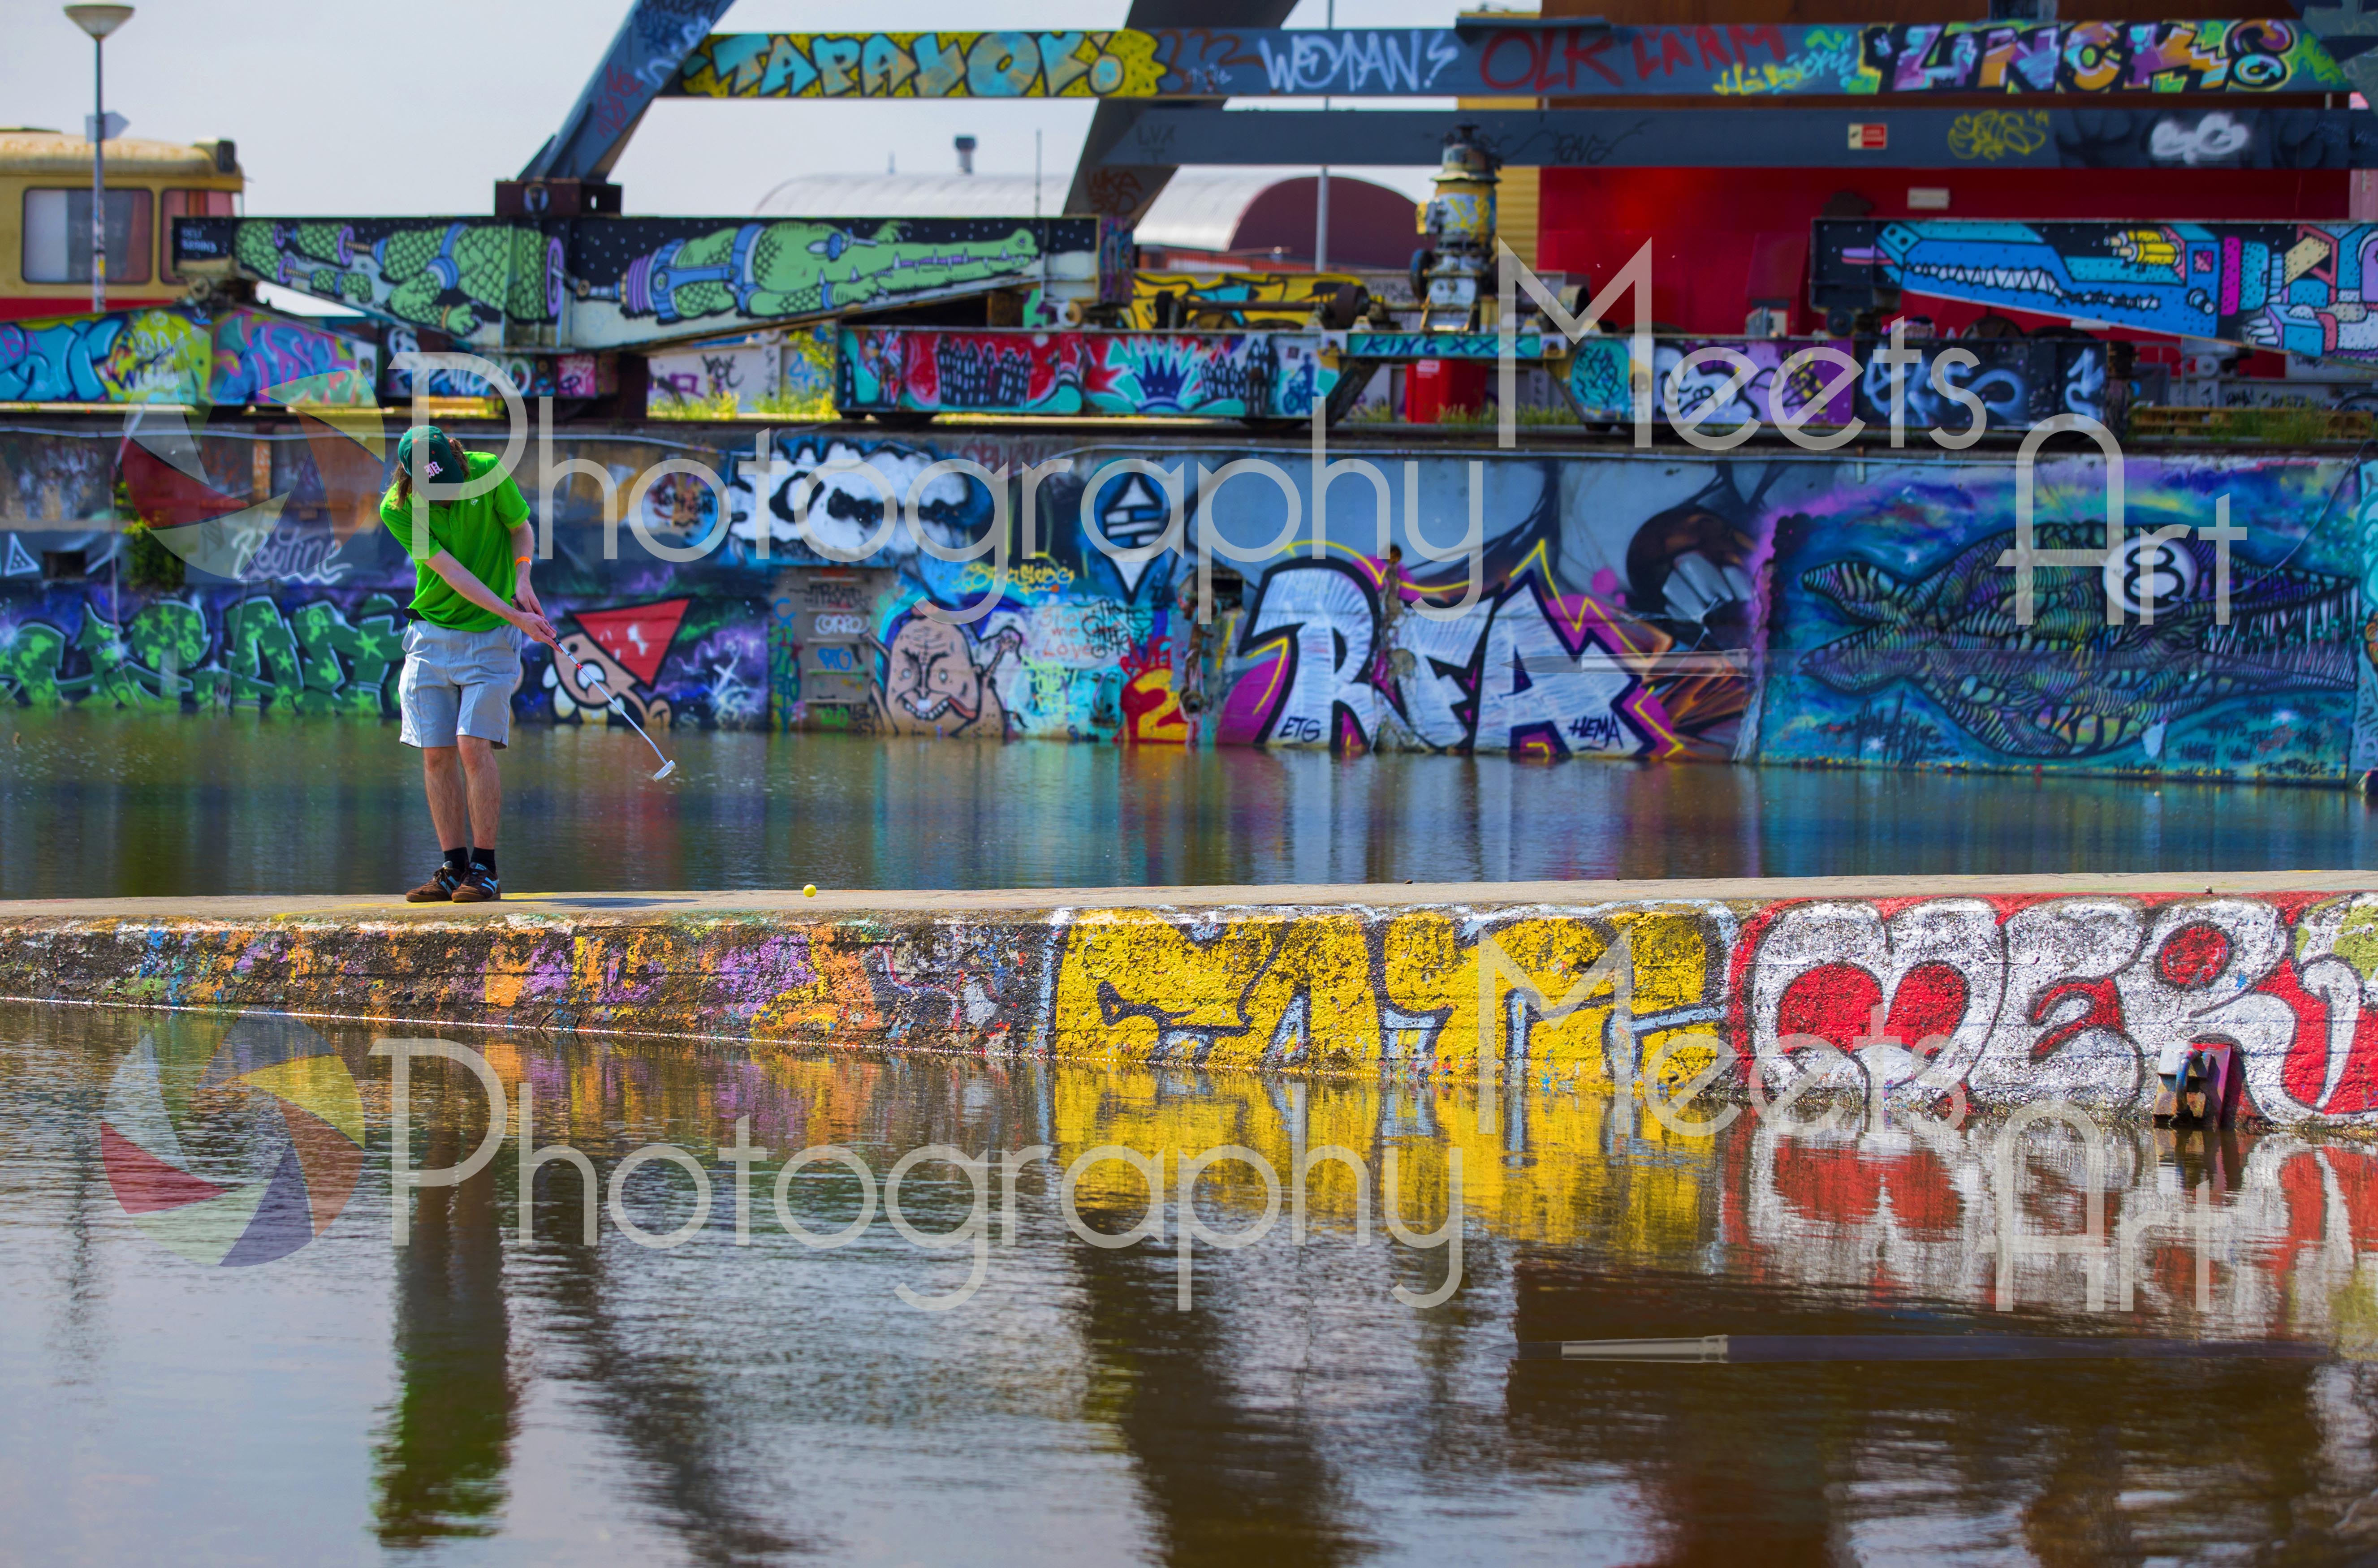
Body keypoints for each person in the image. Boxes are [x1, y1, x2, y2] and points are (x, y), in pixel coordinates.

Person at [380, 426, 558, 903]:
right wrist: (517, 616)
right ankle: (452, 866)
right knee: (435, 751)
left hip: (490, 640)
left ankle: (486, 868)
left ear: (459, 462)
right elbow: (453, 574)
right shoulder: (399, 509)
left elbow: (520, 526)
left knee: (472, 745)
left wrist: (522, 574)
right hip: (431, 636)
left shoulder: (487, 472)